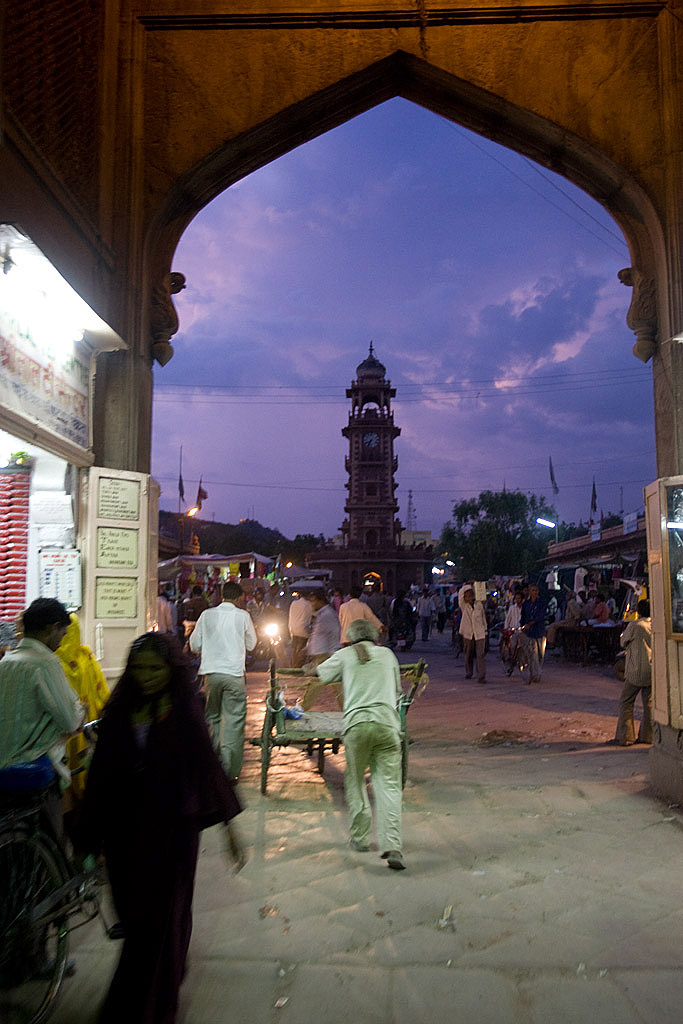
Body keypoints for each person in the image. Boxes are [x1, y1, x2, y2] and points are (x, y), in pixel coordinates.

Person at [81, 633, 243, 1024]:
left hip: (172, 830)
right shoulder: (120, 709)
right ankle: (159, 980)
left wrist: (230, 829)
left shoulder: (185, 709)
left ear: (171, 669)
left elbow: (207, 765)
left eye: (155, 668)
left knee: (160, 919)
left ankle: (148, 1006)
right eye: (139, 669)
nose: (147, 676)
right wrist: (89, 835)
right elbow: (100, 774)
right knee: (134, 917)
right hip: (124, 831)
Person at [313, 619, 406, 870]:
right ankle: (392, 845)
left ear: (350, 639)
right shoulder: (387, 654)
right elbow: (397, 690)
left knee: (355, 781)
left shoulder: (345, 655)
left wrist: (310, 666)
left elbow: (321, 673)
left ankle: (361, 838)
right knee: (389, 787)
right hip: (387, 726)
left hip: (357, 726)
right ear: (374, 637)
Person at [0, 599, 84, 834]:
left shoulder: (6, 662)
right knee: (50, 837)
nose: (61, 641)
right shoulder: (45, 662)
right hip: (34, 769)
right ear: (52, 628)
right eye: (62, 633)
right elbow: (70, 721)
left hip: (3, 768)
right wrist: (82, 712)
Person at [189, 581, 257, 781]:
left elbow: (194, 644)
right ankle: (229, 772)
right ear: (239, 597)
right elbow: (252, 645)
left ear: (221, 595)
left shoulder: (206, 615)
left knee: (213, 719)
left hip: (211, 675)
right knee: (233, 722)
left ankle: (212, 767)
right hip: (234, 675)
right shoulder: (243, 616)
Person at [56, 613, 110, 832]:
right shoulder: (84, 657)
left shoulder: (54, 660)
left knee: (69, 774)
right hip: (80, 727)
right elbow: (101, 689)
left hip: (66, 730)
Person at [614, 599, 652, 746]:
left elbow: (623, 642)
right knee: (649, 704)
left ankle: (626, 736)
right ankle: (648, 736)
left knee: (626, 701)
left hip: (635, 670)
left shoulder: (635, 625)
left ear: (639, 612)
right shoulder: (655, 625)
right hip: (651, 670)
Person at [301, 589, 342, 709]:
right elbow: (317, 635)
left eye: (313, 601)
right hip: (320, 656)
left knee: (316, 684)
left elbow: (334, 634)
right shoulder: (321, 615)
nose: (311, 604)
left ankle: (303, 708)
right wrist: (307, 648)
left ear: (321, 601)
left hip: (325, 656)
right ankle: (347, 707)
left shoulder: (328, 615)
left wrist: (332, 654)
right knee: (334, 684)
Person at [458, 585, 487, 683]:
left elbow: (483, 618)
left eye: (471, 595)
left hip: (479, 633)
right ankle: (469, 672)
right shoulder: (464, 606)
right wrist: (468, 585)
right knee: (468, 654)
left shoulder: (479, 605)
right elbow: (460, 594)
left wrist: (485, 631)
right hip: (468, 633)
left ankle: (481, 676)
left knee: (480, 655)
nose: (469, 598)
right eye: (467, 596)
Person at [521, 584, 547, 684]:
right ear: (529, 592)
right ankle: (535, 674)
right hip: (530, 632)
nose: (534, 592)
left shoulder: (541, 603)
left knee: (540, 655)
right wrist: (523, 626)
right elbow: (523, 616)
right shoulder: (526, 604)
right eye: (532, 590)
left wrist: (531, 623)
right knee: (533, 654)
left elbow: (541, 616)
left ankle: (537, 672)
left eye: (536, 590)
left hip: (539, 631)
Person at [502, 590, 524, 676]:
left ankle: (521, 663)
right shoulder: (512, 608)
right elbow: (507, 619)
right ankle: (511, 663)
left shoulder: (525, 608)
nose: (518, 600)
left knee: (521, 649)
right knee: (513, 648)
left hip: (522, 631)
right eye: (516, 598)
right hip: (513, 631)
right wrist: (506, 629)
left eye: (519, 598)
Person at [288, 592, 313, 667]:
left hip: (293, 628)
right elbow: (313, 615)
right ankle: (297, 665)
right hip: (303, 629)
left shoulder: (293, 603)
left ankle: (293, 664)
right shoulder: (308, 604)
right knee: (302, 648)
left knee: (294, 648)